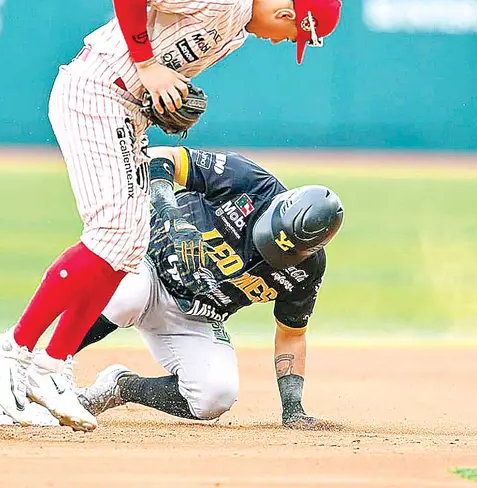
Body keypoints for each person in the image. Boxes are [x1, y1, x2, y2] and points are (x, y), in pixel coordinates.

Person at [0, 0, 343, 432]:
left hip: (127, 109)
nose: (279, 41)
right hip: (97, 93)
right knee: (111, 235)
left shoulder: (235, 30)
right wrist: (148, 66)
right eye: (289, 37)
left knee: (126, 247)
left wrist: (161, 96)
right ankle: (13, 348)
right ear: (292, 16)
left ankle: (51, 367)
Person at [74, 146, 344, 427]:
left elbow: (291, 335)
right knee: (126, 298)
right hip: (146, 266)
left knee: (214, 397)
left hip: (196, 315)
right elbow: (159, 157)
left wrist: (293, 408)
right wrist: (172, 215)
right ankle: (47, 370)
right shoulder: (249, 181)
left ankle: (119, 387)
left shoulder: (306, 271)